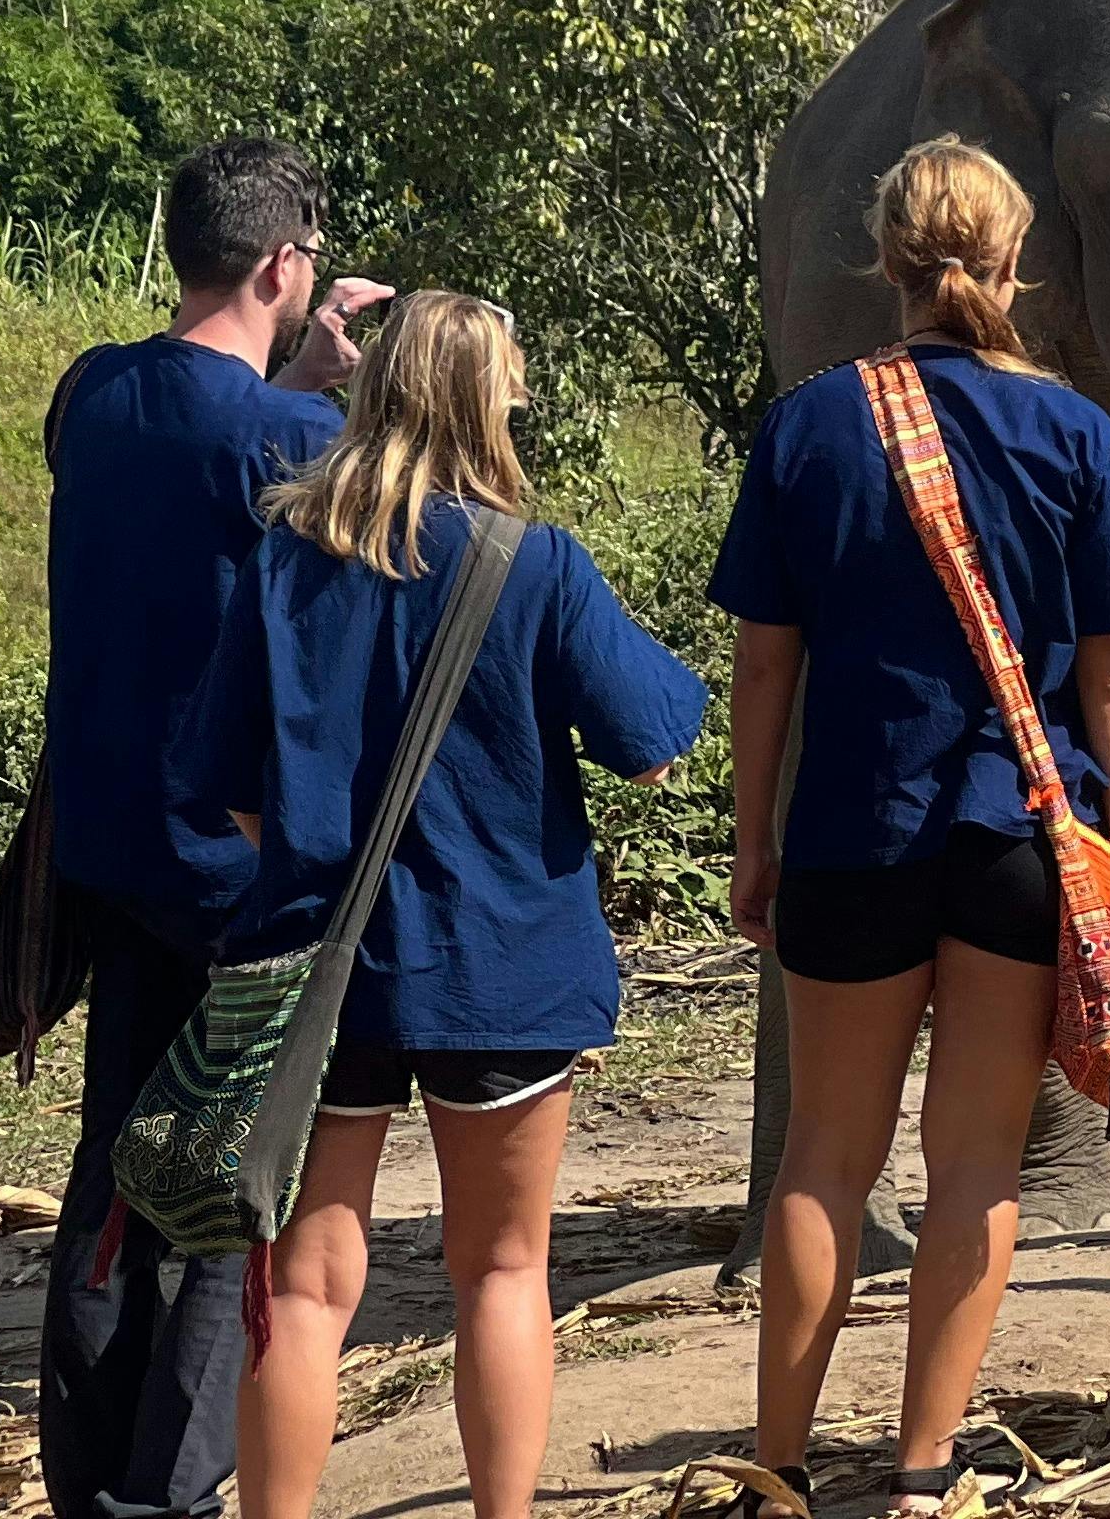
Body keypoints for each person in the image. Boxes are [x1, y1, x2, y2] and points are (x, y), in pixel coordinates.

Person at [166, 293, 709, 1519]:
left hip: (321, 968)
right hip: (504, 962)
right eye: (514, 377)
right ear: (484, 398)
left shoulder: (286, 559)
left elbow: (216, 780)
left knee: (305, 1283)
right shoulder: (538, 562)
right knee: (505, 1268)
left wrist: (311, 842)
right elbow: (656, 744)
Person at [714, 137, 1110, 1519]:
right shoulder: (1076, 433)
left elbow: (765, 664)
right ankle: (923, 1468)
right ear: (1017, 260)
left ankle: (780, 1466)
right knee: (976, 1163)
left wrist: (753, 839)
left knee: (824, 1162)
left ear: (886, 258)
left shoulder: (809, 424)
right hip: (1019, 844)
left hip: (851, 831)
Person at [40, 137, 390, 1519]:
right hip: (237, 871)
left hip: (108, 846)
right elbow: (350, 515)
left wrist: (294, 383)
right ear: (283, 265)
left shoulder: (96, 395)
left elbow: (197, 448)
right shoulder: (297, 441)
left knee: (113, 1174)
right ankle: (170, 1491)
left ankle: (89, 1481)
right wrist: (352, 401)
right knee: (223, 1194)